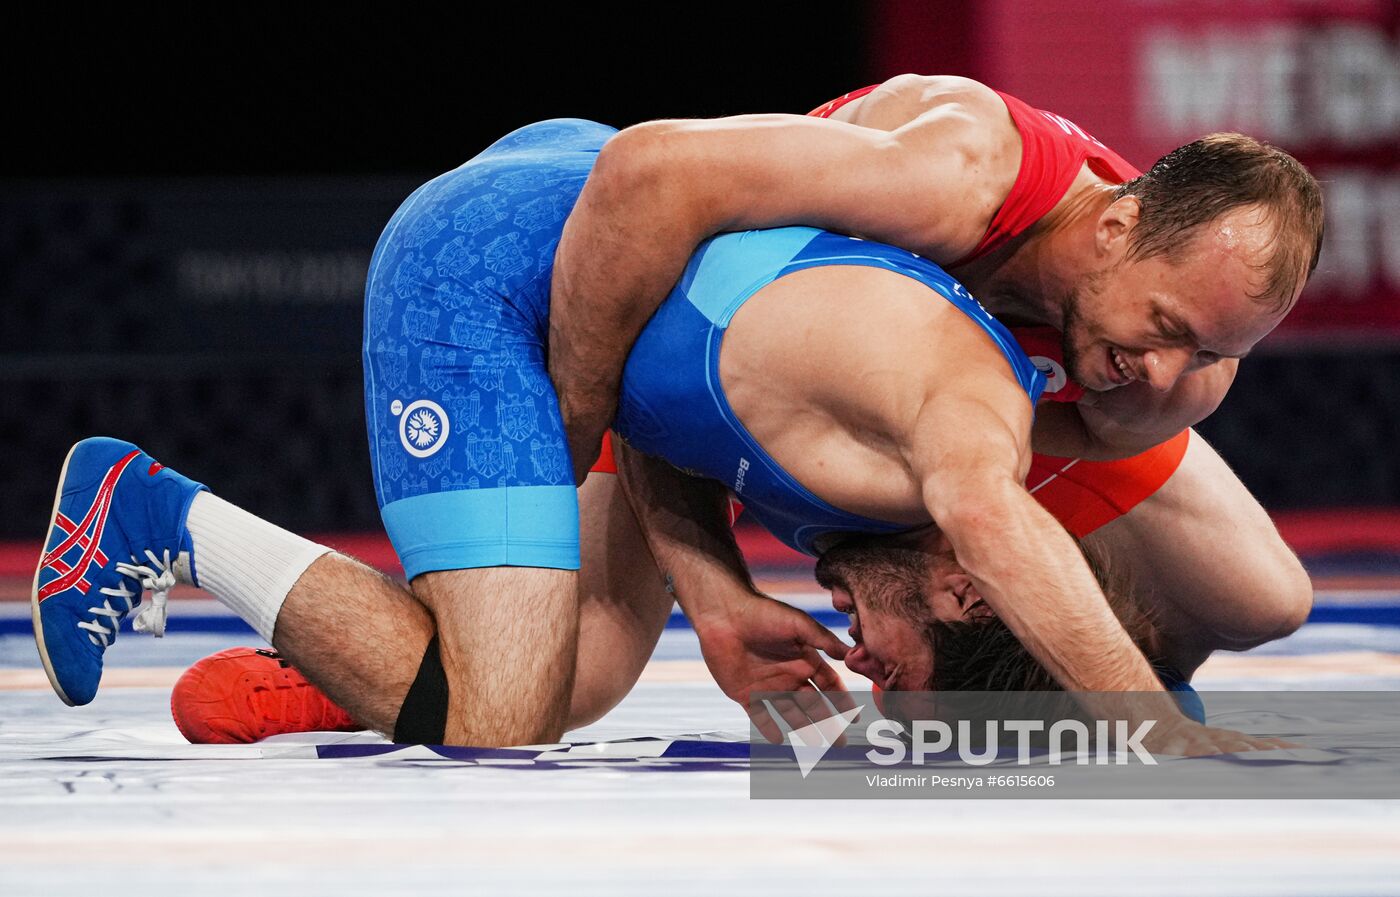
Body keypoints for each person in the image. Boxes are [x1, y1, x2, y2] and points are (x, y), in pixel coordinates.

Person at [548, 73, 1323, 698]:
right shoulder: (951, 174)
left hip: (918, 405)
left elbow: (981, 483)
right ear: (1116, 229)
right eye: (1166, 325)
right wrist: (580, 429)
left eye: (1208, 351)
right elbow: (650, 186)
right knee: (579, 674)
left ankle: (1041, 690)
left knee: (1259, 599)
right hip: (713, 330)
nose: (1165, 368)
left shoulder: (1167, 385)